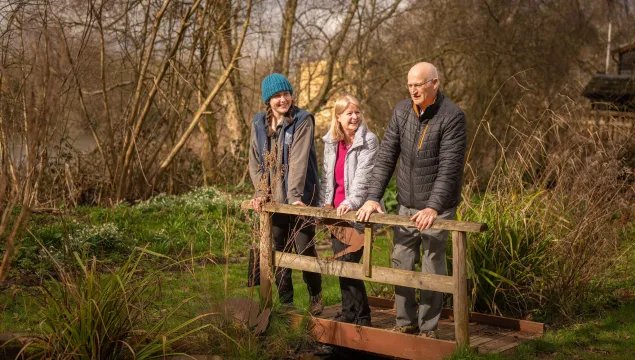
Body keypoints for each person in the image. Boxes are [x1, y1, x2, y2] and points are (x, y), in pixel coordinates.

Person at [356, 62, 467, 338]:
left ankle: (428, 328)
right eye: (409, 85)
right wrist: (372, 197)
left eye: (418, 84)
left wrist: (433, 206)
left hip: (437, 209)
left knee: (431, 267)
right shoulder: (401, 111)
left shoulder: (452, 116)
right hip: (406, 204)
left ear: (434, 83)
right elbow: (386, 157)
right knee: (401, 261)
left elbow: (449, 168)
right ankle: (405, 321)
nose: (413, 90)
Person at [248, 73, 323, 315]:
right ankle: (286, 304)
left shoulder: (302, 120)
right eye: (277, 96)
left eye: (286, 94)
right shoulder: (259, 123)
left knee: (304, 246)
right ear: (268, 100)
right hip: (273, 200)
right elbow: (256, 161)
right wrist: (261, 192)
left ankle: (315, 296)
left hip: (301, 197)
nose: (283, 99)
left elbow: (299, 161)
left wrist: (294, 198)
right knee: (278, 251)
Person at [319, 94, 379, 327]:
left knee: (351, 263)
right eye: (348, 113)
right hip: (337, 213)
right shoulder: (331, 142)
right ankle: (348, 311)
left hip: (357, 212)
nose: (354, 117)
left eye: (357, 112)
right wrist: (326, 204)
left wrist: (350, 203)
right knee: (341, 264)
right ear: (338, 118)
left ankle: (363, 315)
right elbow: (327, 176)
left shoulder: (368, 140)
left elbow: (364, 178)